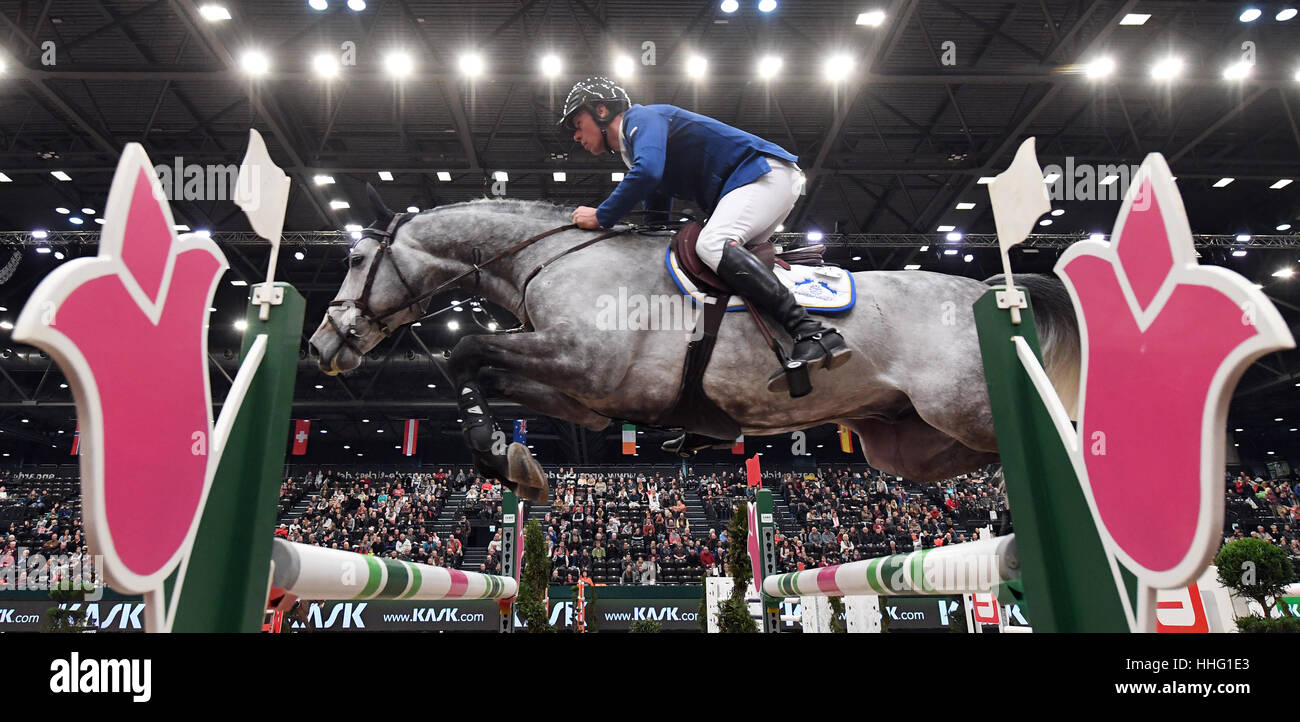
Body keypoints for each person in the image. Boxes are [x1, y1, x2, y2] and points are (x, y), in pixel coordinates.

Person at [560, 76, 851, 394]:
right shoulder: (635, 149)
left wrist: (602, 216)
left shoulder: (641, 119)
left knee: (711, 244)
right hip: (756, 182)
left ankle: (811, 331)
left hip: (763, 174)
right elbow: (657, 210)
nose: (575, 136)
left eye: (578, 122)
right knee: (717, 277)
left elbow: (648, 173)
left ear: (602, 111)